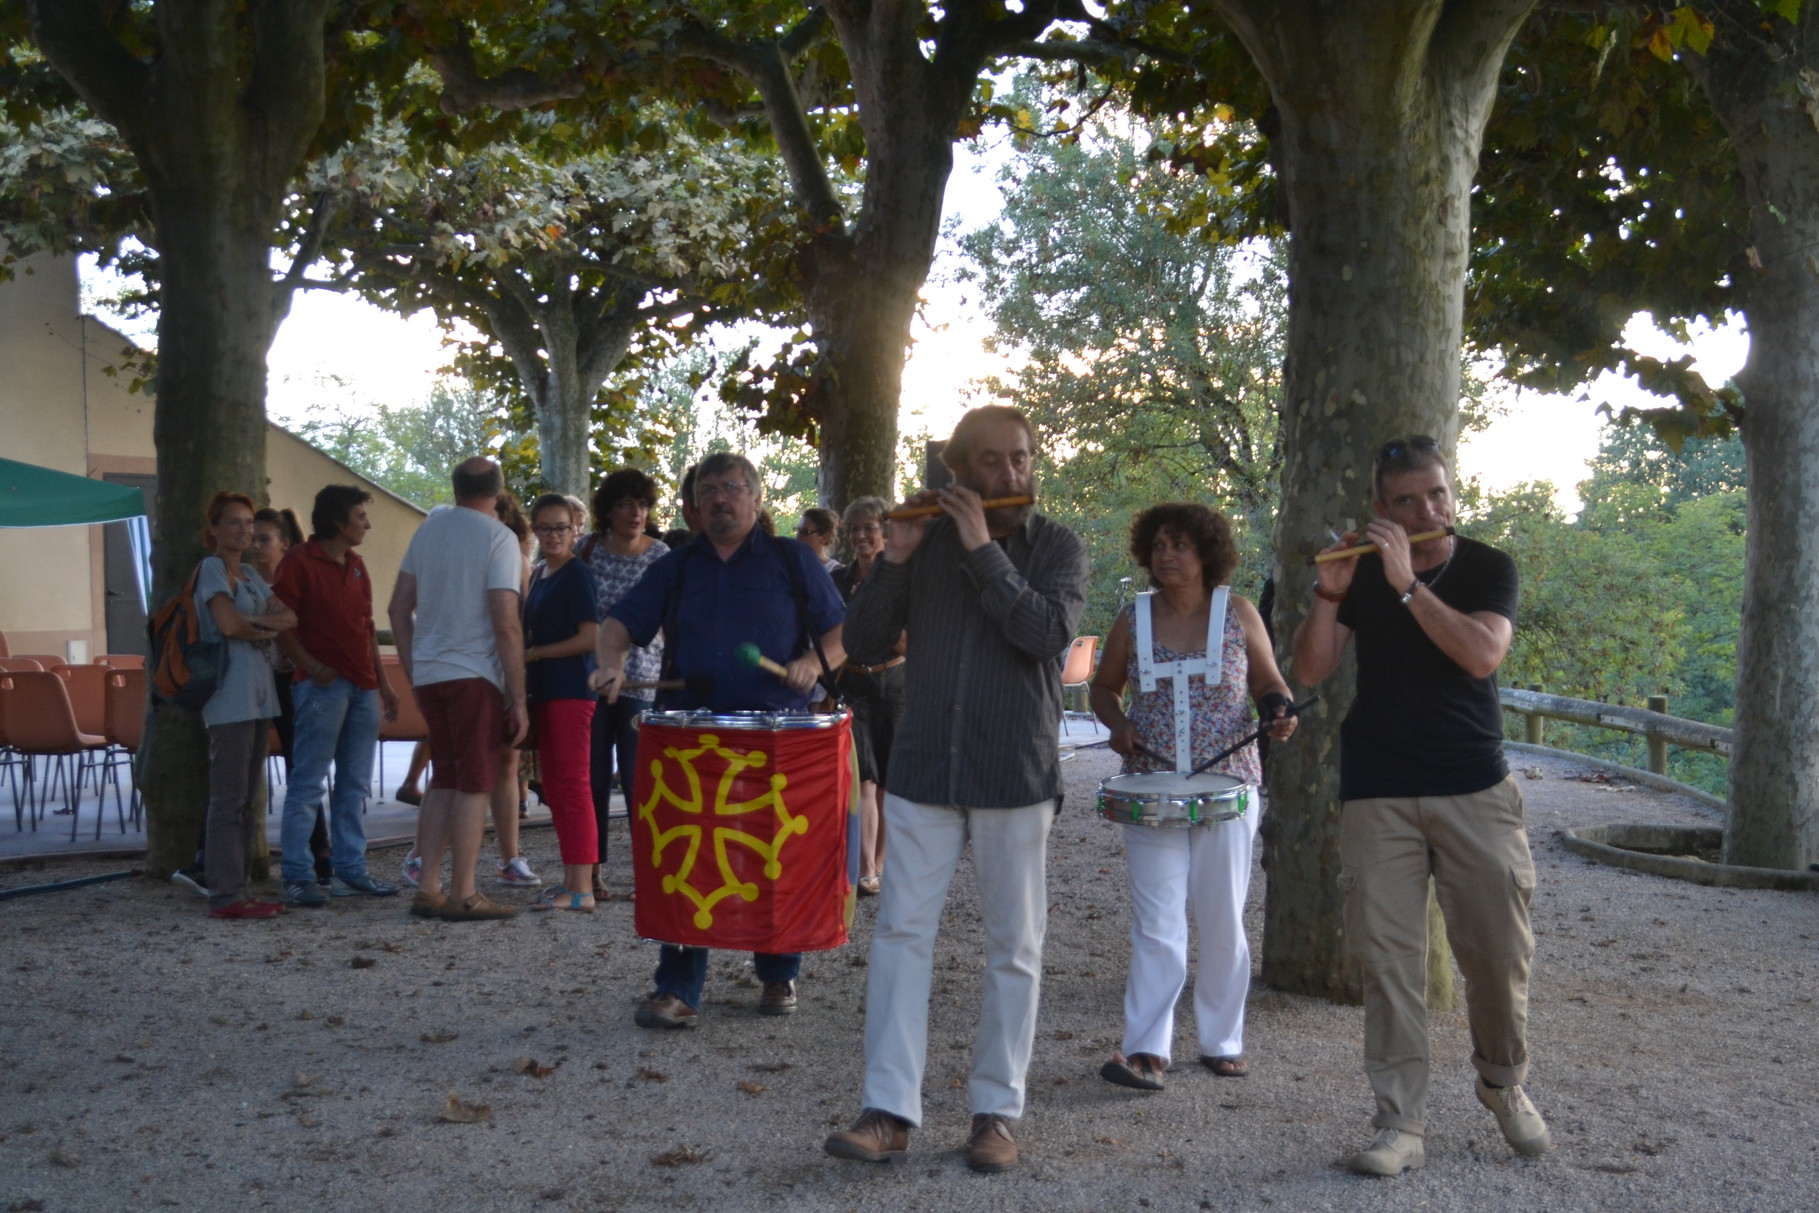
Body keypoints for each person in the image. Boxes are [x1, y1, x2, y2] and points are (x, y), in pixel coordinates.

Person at [824, 406, 1088, 1174]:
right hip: (925, 766)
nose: (1012, 474)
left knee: (1015, 945)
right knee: (901, 934)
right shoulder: (919, 542)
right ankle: (888, 1110)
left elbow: (1043, 636)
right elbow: (865, 644)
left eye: (1022, 458)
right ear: (956, 471)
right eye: (993, 461)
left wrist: (981, 549)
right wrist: (897, 562)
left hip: (1014, 766)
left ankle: (995, 1113)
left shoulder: (1057, 545)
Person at [1292, 435, 1547, 1176]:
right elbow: (1309, 670)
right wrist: (1333, 591)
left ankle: (1502, 1082)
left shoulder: (1487, 565)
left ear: (1450, 491)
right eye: (1406, 501)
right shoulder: (1363, 574)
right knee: (1388, 962)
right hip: (1378, 789)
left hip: (1474, 786)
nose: (1425, 508)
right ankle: (1399, 1121)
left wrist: (1407, 586)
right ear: (1382, 509)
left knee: (1499, 957)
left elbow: (1479, 653)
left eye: (1435, 493)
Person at [593, 451, 846, 1029]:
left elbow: (841, 629)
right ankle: (678, 987)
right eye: (708, 491)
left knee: (775, 854)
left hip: (776, 735)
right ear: (695, 504)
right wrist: (611, 664)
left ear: (757, 499)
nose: (720, 499)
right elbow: (617, 626)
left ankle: (778, 971)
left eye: (732, 488)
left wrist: (813, 660)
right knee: (688, 857)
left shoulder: (792, 559)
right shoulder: (677, 566)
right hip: (691, 737)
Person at [1087, 503, 1297, 1092]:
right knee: (1156, 924)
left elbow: (1269, 682)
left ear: (1206, 552)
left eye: (1178, 544)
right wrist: (1117, 722)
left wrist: (1278, 711)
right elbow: (1103, 688)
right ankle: (1146, 1049)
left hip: (1228, 786)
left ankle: (1221, 1040)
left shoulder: (1239, 612)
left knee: (1223, 918)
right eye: (1157, 546)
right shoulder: (1135, 617)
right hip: (1150, 790)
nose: (1166, 555)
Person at [387, 458, 527, 922]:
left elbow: (397, 607)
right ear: (499, 490)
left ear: (455, 486)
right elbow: (506, 623)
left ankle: (428, 886)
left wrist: (413, 665)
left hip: (431, 671)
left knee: (444, 776)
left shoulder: (430, 529)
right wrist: (519, 696)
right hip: (475, 672)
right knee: (475, 781)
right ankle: (464, 891)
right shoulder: (500, 538)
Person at [271, 485, 401, 908]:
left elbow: (365, 630)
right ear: (338, 522)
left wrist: (383, 684)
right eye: (360, 516)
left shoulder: (357, 564)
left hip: (362, 687)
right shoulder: (297, 562)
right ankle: (297, 875)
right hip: (322, 687)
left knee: (354, 784)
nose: (367, 523)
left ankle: (351, 869)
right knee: (308, 784)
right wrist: (312, 666)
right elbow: (282, 624)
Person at [194, 492, 297, 920]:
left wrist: (253, 627)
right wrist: (261, 627)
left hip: (260, 697)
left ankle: (240, 887)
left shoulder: (251, 574)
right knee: (228, 797)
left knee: (249, 797)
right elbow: (227, 623)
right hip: (228, 697)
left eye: (248, 522)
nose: (243, 530)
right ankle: (224, 893)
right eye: (233, 522)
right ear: (214, 529)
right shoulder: (212, 569)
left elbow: (288, 618)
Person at [578, 468, 668, 901]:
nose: (636, 513)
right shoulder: (587, 550)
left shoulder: (663, 555)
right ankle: (591, 871)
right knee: (592, 778)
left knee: (640, 782)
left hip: (643, 684)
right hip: (592, 682)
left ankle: (649, 874)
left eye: (643, 504)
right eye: (626, 504)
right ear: (608, 511)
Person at [522, 493, 601, 911]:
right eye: (546, 528)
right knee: (555, 786)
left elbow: (590, 637)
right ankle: (571, 880)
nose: (554, 535)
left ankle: (583, 886)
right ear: (534, 529)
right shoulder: (539, 574)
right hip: (545, 691)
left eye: (562, 527)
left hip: (571, 690)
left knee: (572, 786)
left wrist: (536, 654)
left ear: (576, 529)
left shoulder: (576, 575)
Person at [831, 496, 902, 896]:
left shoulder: (901, 577)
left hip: (894, 686)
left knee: (890, 781)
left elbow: (912, 641)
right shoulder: (838, 580)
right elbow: (827, 632)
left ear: (885, 533)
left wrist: (872, 623)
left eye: (868, 528)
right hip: (850, 686)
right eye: (854, 528)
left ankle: (881, 861)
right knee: (864, 780)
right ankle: (864, 866)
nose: (860, 535)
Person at [797, 507, 843, 574]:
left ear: (824, 538)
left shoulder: (836, 571)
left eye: (805, 532)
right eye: (798, 530)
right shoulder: (791, 568)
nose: (798, 537)